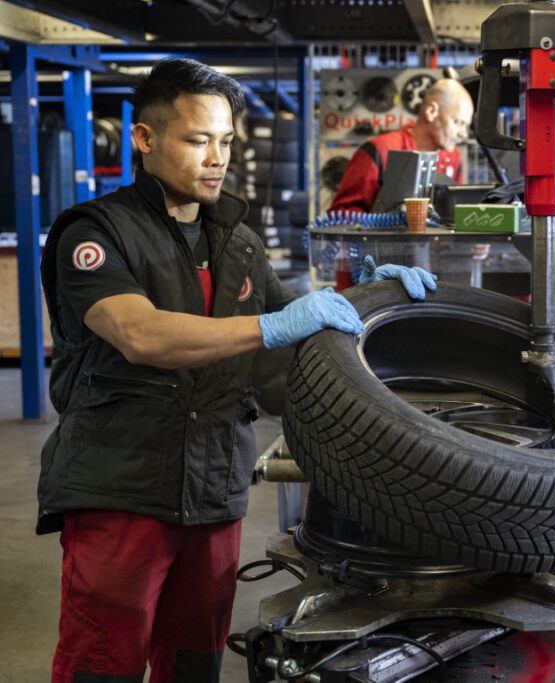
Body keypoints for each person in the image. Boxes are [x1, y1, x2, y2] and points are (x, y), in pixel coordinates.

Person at [36, 58, 436, 683]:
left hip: (214, 486)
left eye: (225, 141)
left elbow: (290, 346)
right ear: (144, 138)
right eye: (198, 140)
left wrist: (365, 300)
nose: (217, 157)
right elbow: (139, 334)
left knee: (196, 659)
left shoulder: (238, 240)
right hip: (122, 484)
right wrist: (273, 325)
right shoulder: (96, 234)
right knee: (103, 661)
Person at [328, 78, 474, 213]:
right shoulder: (380, 151)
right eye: (458, 122)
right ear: (431, 112)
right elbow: (341, 215)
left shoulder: (453, 157)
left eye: (466, 126)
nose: (463, 134)